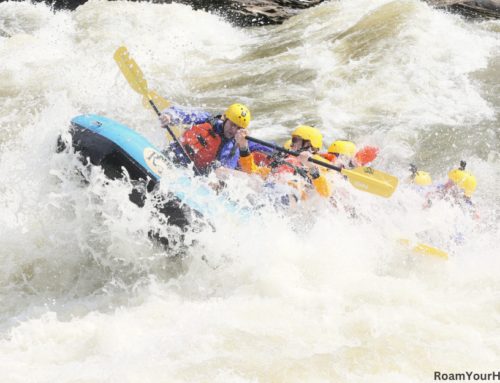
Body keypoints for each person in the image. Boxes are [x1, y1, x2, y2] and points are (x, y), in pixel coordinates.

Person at [160, 104, 271, 175]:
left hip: (187, 173)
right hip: (170, 154)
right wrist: (169, 116)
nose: (233, 130)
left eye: (238, 128)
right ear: (224, 118)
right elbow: (183, 113)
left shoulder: (232, 151)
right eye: (232, 125)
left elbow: (220, 177)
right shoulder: (208, 119)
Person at [235, 125, 332, 199]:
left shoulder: (318, 162)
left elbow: (325, 192)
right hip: (271, 191)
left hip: (292, 198)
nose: (291, 144)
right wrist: (243, 145)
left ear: (308, 143)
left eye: (295, 140)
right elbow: (250, 171)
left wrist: (311, 166)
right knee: (223, 173)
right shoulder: (286, 159)